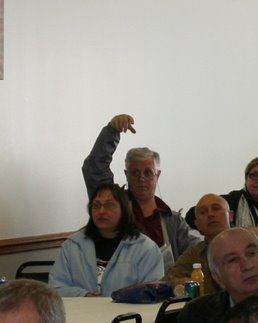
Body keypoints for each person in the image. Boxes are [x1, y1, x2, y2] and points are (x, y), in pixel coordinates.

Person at [81, 112, 194, 263]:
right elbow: (94, 169)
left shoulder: (173, 221)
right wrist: (111, 131)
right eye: (135, 173)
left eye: (148, 173)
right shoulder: (114, 207)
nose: (142, 178)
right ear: (126, 175)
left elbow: (196, 254)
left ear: (157, 175)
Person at [50, 182, 167, 298]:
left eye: (109, 205)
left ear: (124, 209)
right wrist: (84, 295)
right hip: (81, 310)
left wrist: (117, 300)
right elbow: (56, 287)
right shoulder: (73, 245)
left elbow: (152, 292)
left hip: (126, 310)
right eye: (96, 205)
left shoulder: (145, 248)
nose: (101, 211)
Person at [166, 193, 258, 292]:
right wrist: (179, 283)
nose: (210, 214)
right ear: (197, 224)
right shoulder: (194, 254)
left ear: (230, 216)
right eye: (203, 212)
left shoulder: (254, 247)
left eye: (216, 208)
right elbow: (167, 281)